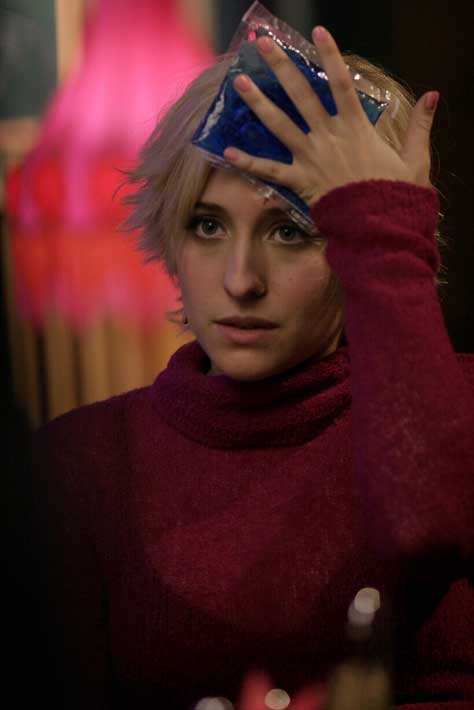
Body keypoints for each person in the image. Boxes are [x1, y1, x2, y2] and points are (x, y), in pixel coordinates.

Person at [31, 25, 474, 710]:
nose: (241, 280)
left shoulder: (458, 408)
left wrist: (387, 238)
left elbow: (427, 530)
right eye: (207, 225)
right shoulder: (83, 462)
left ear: (365, 236)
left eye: (290, 231)